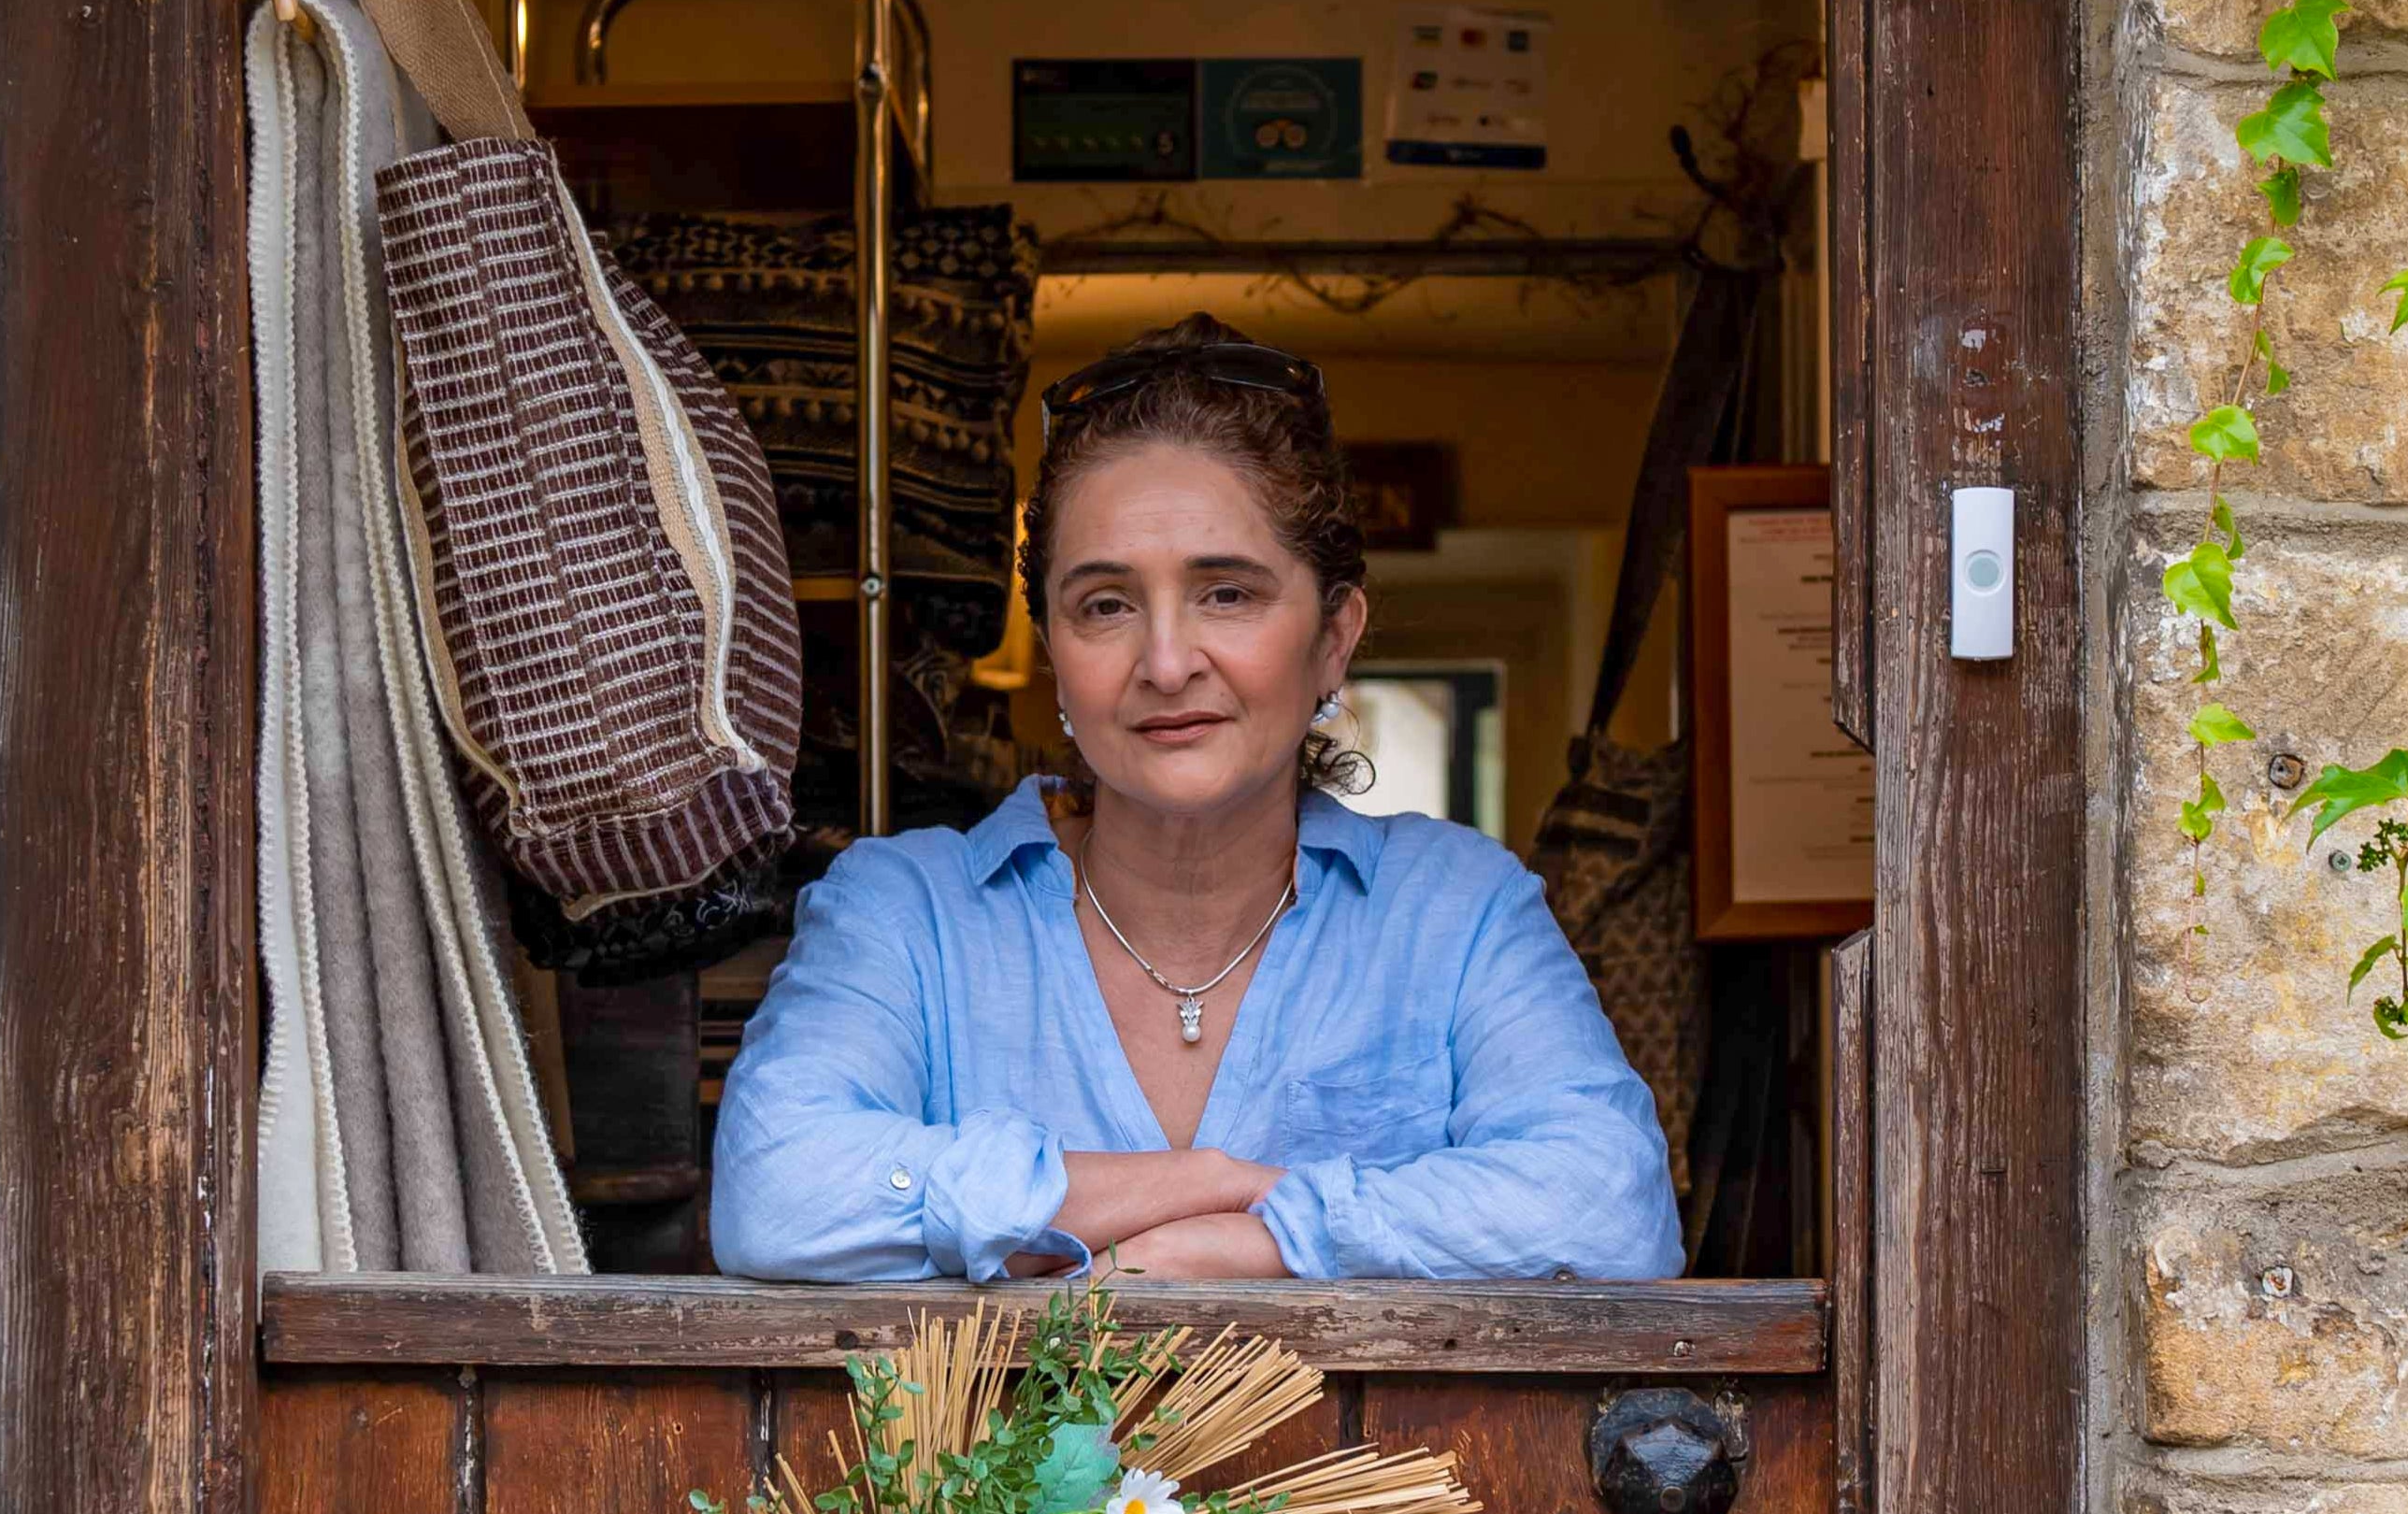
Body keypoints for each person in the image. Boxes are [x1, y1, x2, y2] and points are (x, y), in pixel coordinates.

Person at [710, 314, 1683, 1284]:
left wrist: (1273, 1237)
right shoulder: (903, 912)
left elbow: (1611, 1208)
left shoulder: (1457, 910)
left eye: (1227, 593)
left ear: (1334, 639)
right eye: (1105, 604)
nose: (1167, 664)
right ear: (1053, 651)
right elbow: (774, 1193)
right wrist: (1201, 1181)